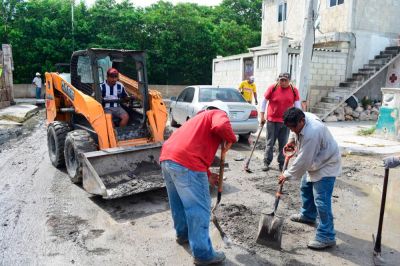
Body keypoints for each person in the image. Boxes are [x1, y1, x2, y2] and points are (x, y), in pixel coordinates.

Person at [160, 100, 236, 265]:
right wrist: (231, 138)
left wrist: (207, 175)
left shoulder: (196, 120)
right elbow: (222, 126)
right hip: (185, 163)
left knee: (178, 202)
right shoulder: (217, 113)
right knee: (199, 208)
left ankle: (183, 234)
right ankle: (203, 254)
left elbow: (192, 148)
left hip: (167, 159)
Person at [278, 107, 341, 250]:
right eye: (290, 127)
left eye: (294, 127)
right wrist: (292, 141)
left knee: (322, 201)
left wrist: (286, 174)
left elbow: (303, 160)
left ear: (302, 121)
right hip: (314, 161)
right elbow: (293, 132)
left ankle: (327, 236)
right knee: (305, 188)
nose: (293, 130)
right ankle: (308, 215)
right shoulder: (301, 117)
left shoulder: (313, 132)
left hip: (326, 164)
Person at [260, 72, 301, 171]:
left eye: (285, 80)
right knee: (270, 142)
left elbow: (297, 105)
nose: (282, 82)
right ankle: (266, 162)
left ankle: (282, 163)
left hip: (286, 122)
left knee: (283, 143)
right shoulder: (273, 88)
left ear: (289, 81)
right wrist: (262, 115)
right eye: (280, 80)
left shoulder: (294, 90)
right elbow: (264, 101)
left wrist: (298, 119)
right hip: (272, 120)